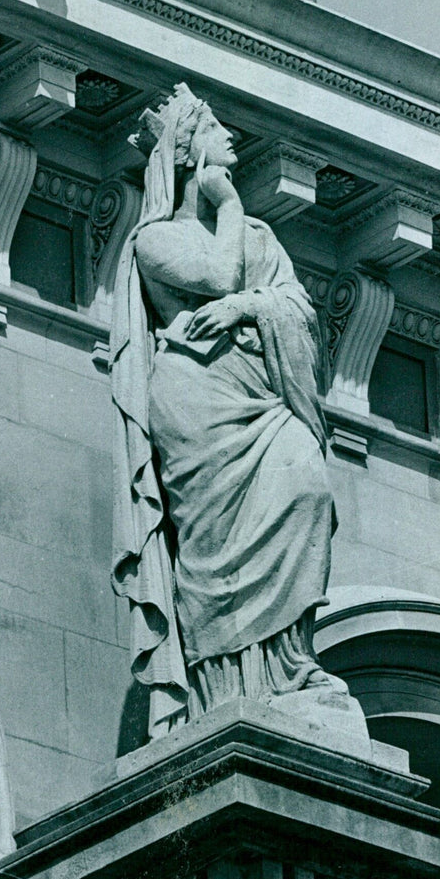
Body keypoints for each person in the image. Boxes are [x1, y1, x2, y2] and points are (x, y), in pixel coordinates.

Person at [111, 83, 367, 744]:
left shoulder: (260, 234)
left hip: (262, 394)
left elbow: (293, 308)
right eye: (216, 131)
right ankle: (223, 686)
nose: (230, 140)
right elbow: (220, 277)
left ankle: (288, 666)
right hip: (198, 401)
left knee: (307, 487)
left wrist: (252, 307)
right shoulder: (154, 241)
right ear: (189, 152)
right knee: (211, 545)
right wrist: (228, 210)